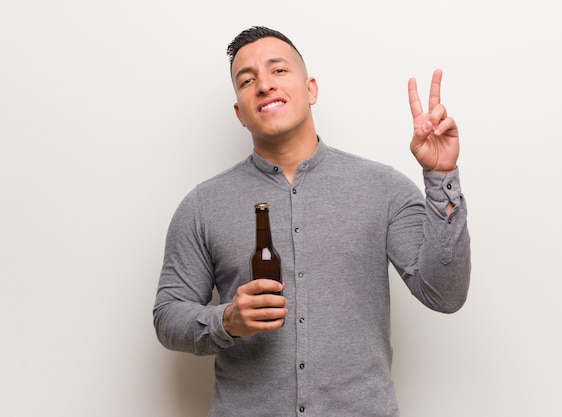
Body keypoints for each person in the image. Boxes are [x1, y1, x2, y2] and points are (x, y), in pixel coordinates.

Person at [153, 26, 471, 417]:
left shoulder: (382, 188)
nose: (264, 85)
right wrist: (227, 320)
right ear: (239, 112)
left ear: (312, 89)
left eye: (279, 71)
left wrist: (441, 179)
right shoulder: (202, 205)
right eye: (247, 80)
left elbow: (445, 293)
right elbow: (168, 315)